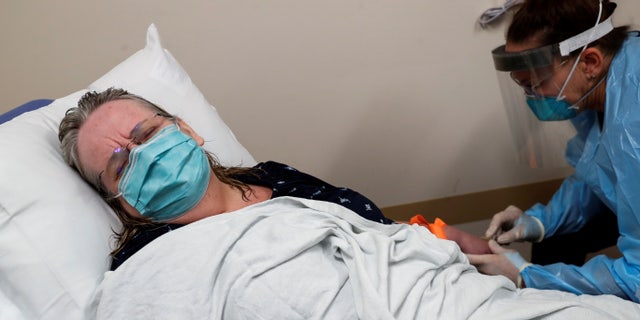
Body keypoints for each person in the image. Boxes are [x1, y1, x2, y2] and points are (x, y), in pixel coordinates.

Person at [58, 88, 489, 270]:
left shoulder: (274, 176)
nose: (144, 156)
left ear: (185, 129)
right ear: (121, 202)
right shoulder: (149, 260)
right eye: (120, 165)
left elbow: (363, 227)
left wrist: (431, 234)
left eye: (147, 135)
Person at [467, 0, 640, 302]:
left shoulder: (633, 116)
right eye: (523, 87)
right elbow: (601, 175)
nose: (533, 98)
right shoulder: (599, 89)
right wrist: (540, 221)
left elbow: (637, 275)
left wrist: (526, 275)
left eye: (536, 83)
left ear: (590, 62)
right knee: (554, 239)